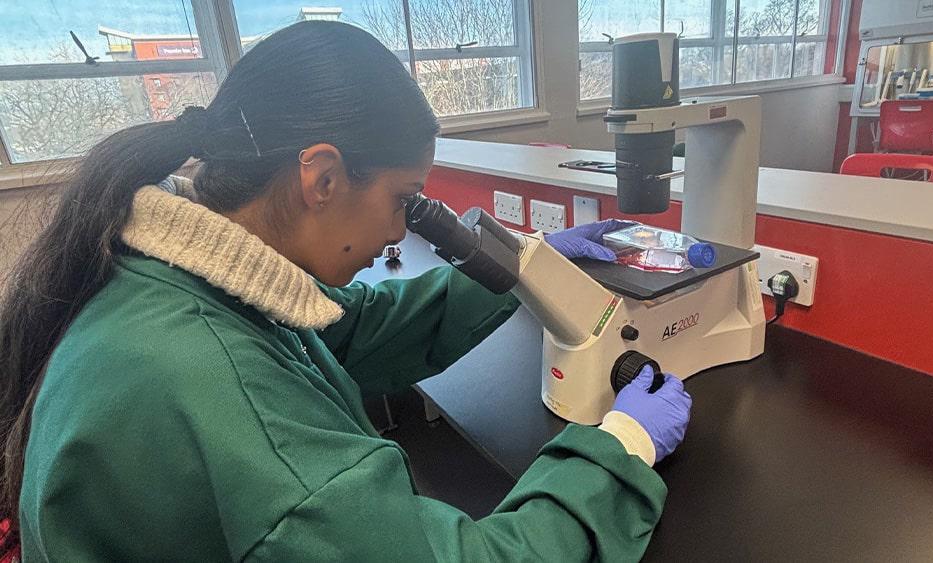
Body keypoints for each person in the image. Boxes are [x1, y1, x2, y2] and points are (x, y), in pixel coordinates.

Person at [0, 21, 691, 561]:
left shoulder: (167, 274)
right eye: (404, 199)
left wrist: (523, 268)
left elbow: (345, 329)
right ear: (323, 178)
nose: (401, 232)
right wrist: (620, 449)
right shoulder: (215, 382)